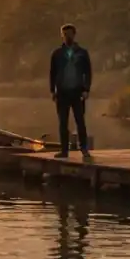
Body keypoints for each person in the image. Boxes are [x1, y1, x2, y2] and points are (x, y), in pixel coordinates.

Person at [49, 23, 92, 158]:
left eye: (70, 34)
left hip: (77, 92)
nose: (67, 36)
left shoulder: (82, 53)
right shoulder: (57, 54)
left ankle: (84, 149)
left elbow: (88, 72)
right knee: (63, 123)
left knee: (80, 121)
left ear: (74, 34)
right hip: (62, 93)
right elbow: (52, 73)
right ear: (62, 36)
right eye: (65, 34)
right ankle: (64, 150)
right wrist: (52, 91)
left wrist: (86, 89)